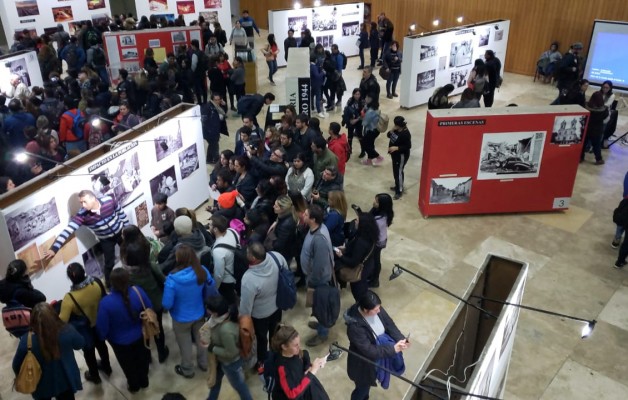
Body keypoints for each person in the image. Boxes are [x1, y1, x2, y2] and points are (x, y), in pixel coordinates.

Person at [43, 190, 129, 288]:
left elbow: (121, 213)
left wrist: (127, 230)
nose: (83, 205)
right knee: (109, 264)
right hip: (106, 240)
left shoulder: (108, 200)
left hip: (121, 233)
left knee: (129, 254)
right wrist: (54, 249)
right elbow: (67, 231)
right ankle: (109, 286)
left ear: (93, 198)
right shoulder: (82, 215)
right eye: (81, 202)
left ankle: (133, 273)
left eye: (85, 202)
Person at [344, 290, 409, 400]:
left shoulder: (376, 308)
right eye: (375, 310)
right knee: (362, 389)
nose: (379, 311)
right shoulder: (355, 327)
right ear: (365, 310)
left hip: (378, 355)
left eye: (379, 308)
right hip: (363, 364)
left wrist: (401, 339)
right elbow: (369, 350)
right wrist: (392, 349)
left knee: (367, 386)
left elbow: (389, 324)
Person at [163, 245, 215, 378]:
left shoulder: (172, 280)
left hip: (181, 319)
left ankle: (187, 369)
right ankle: (203, 364)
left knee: (185, 345)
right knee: (202, 340)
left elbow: (166, 304)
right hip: (200, 313)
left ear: (178, 259)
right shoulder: (201, 270)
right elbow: (211, 284)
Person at [12, 303, 84, 400]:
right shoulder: (68, 330)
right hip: (66, 380)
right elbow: (80, 344)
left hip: (41, 386)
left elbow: (16, 365)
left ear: (32, 320)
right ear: (54, 315)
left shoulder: (26, 341)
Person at [96, 268, 151, 393]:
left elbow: (102, 328)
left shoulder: (105, 304)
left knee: (128, 366)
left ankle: (134, 386)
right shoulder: (138, 291)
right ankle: (144, 381)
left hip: (119, 343)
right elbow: (149, 308)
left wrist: (103, 337)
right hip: (141, 335)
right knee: (143, 360)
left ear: (111, 283)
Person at [59, 263, 110, 384]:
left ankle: (94, 376)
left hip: (85, 329)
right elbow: (104, 298)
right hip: (99, 322)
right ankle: (107, 367)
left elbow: (62, 321)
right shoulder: (96, 282)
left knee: (89, 352)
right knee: (102, 345)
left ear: (70, 278)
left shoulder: (69, 298)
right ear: (84, 271)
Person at [122, 240, 170, 363]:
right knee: (157, 326)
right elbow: (163, 280)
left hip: (140, 306)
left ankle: (147, 357)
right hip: (156, 302)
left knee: (144, 328)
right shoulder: (151, 266)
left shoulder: (127, 274)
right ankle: (161, 353)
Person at [240, 242, 284, 369]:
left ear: (253, 258)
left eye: (248, 252)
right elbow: (285, 270)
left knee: (261, 339)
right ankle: (276, 355)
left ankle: (263, 361)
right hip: (277, 306)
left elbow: (246, 306)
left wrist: (244, 320)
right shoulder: (277, 257)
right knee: (275, 333)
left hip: (260, 315)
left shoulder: (249, 279)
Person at [203, 296, 253, 400]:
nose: (206, 309)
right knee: (216, 381)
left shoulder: (225, 330)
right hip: (221, 360)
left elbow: (232, 352)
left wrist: (212, 348)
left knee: (239, 386)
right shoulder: (224, 316)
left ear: (215, 313)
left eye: (208, 308)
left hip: (230, 363)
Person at [301, 205, 334, 346]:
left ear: (313, 219)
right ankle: (321, 325)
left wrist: (312, 281)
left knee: (321, 307)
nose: (303, 215)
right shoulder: (317, 228)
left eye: (306, 214)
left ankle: (322, 333)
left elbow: (320, 265)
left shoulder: (319, 239)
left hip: (319, 280)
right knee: (317, 305)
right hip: (315, 277)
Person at [270, 324, 330, 400]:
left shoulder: (296, 352)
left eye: (299, 343)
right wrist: (311, 373)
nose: (299, 346)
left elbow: (304, 356)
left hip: (303, 386)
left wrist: (309, 367)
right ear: (284, 347)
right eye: (296, 345)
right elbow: (292, 394)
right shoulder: (282, 368)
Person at [335, 213, 379, 302]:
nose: (355, 221)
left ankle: (362, 307)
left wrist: (341, 256)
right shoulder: (369, 236)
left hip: (360, 270)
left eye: (357, 220)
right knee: (362, 288)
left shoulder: (361, 242)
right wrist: (346, 248)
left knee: (358, 292)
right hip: (368, 265)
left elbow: (353, 262)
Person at [209, 214, 239, 305]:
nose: (208, 226)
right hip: (236, 270)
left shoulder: (218, 251)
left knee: (228, 300)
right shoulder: (232, 231)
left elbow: (219, 274)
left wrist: (215, 288)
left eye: (210, 225)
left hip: (227, 280)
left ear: (215, 229)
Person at [369, 194, 394, 288]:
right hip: (379, 239)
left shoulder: (380, 220)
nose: (374, 202)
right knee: (374, 259)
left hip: (377, 242)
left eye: (376, 201)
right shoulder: (378, 211)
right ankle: (372, 275)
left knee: (375, 260)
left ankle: (374, 280)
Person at [580, 91, 609, 165]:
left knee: (583, 143)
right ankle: (598, 159)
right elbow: (605, 117)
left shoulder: (586, 107)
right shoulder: (604, 110)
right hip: (597, 130)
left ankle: (580, 157)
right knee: (596, 145)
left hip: (587, 128)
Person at [268, 194, 298, 264]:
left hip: (283, 254)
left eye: (276, 206)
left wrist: (269, 243)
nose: (273, 207)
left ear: (283, 209)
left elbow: (279, 245)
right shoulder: (284, 214)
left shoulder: (286, 225)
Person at [387, 116, 412, 199]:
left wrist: (396, 148)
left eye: (396, 125)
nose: (395, 126)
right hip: (395, 155)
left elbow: (408, 146)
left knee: (399, 172)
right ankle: (397, 185)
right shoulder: (396, 130)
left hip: (401, 156)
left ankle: (399, 190)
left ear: (400, 125)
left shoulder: (405, 134)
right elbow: (388, 135)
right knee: (396, 172)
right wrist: (392, 130)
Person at [361, 95, 383, 166]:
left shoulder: (370, 111)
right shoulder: (374, 108)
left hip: (371, 130)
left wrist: (362, 116)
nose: (365, 99)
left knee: (364, 144)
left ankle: (378, 157)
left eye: (367, 98)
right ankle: (369, 160)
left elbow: (365, 122)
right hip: (375, 130)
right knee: (370, 144)